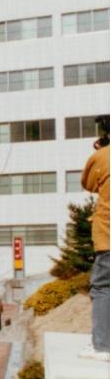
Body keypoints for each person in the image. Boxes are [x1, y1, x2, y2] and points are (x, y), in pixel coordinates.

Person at [80, 115, 110, 361]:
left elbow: (89, 184)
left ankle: (102, 346)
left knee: (102, 288)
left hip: (109, 237)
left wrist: (102, 150)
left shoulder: (103, 157)